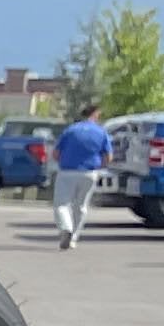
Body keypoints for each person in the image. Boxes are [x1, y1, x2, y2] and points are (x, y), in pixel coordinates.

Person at [50, 96, 112, 248]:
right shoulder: (101, 132)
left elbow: (56, 153)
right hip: (89, 172)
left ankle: (66, 228)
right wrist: (100, 167)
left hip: (67, 171)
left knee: (61, 204)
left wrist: (63, 162)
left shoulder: (70, 131)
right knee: (81, 206)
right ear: (96, 114)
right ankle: (73, 238)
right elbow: (108, 156)